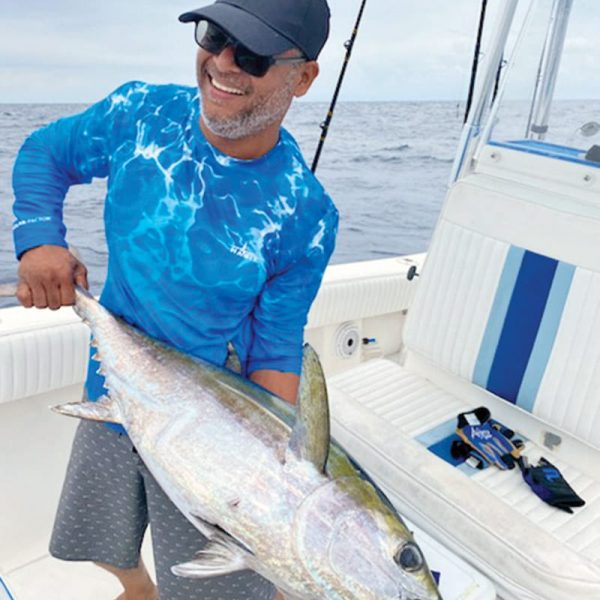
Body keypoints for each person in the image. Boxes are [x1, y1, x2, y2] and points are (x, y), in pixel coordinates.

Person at [11, 0, 337, 598]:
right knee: (97, 534)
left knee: (217, 579)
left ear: (304, 77)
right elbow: (45, 153)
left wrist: (267, 477)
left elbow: (276, 347)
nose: (223, 63)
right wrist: (38, 241)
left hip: (210, 414)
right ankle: (137, 588)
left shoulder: (305, 213)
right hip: (114, 378)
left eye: (255, 54)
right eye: (215, 35)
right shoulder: (141, 112)